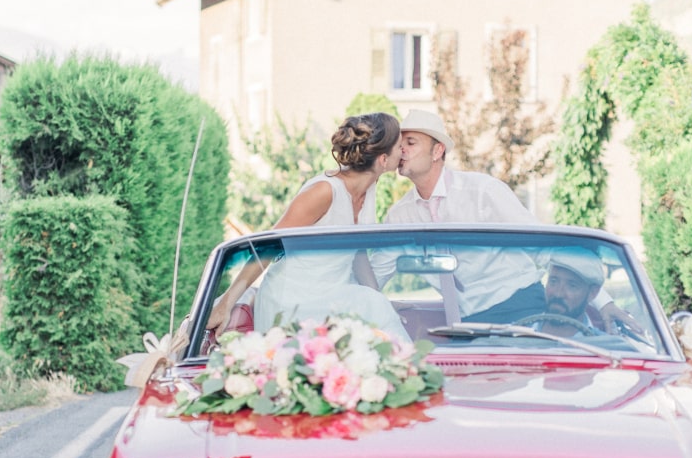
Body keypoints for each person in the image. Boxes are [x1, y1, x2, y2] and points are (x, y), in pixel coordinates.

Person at [380, 108, 637, 331]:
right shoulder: (400, 216)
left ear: (438, 151)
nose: (401, 150)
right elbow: (376, 274)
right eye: (399, 144)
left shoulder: (483, 192)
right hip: (464, 322)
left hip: (521, 308)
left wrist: (604, 301)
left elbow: (544, 247)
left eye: (411, 142)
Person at [207, 112, 408, 339]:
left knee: (376, 308)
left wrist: (378, 300)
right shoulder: (324, 190)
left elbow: (357, 252)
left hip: (334, 295)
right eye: (400, 146)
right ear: (383, 160)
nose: (404, 152)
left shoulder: (369, 190)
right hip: (291, 299)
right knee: (374, 313)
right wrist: (225, 303)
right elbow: (266, 246)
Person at [531, 251, 607, 337]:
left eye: (572, 286)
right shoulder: (516, 335)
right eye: (553, 281)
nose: (558, 294)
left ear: (593, 293)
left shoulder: (602, 347)